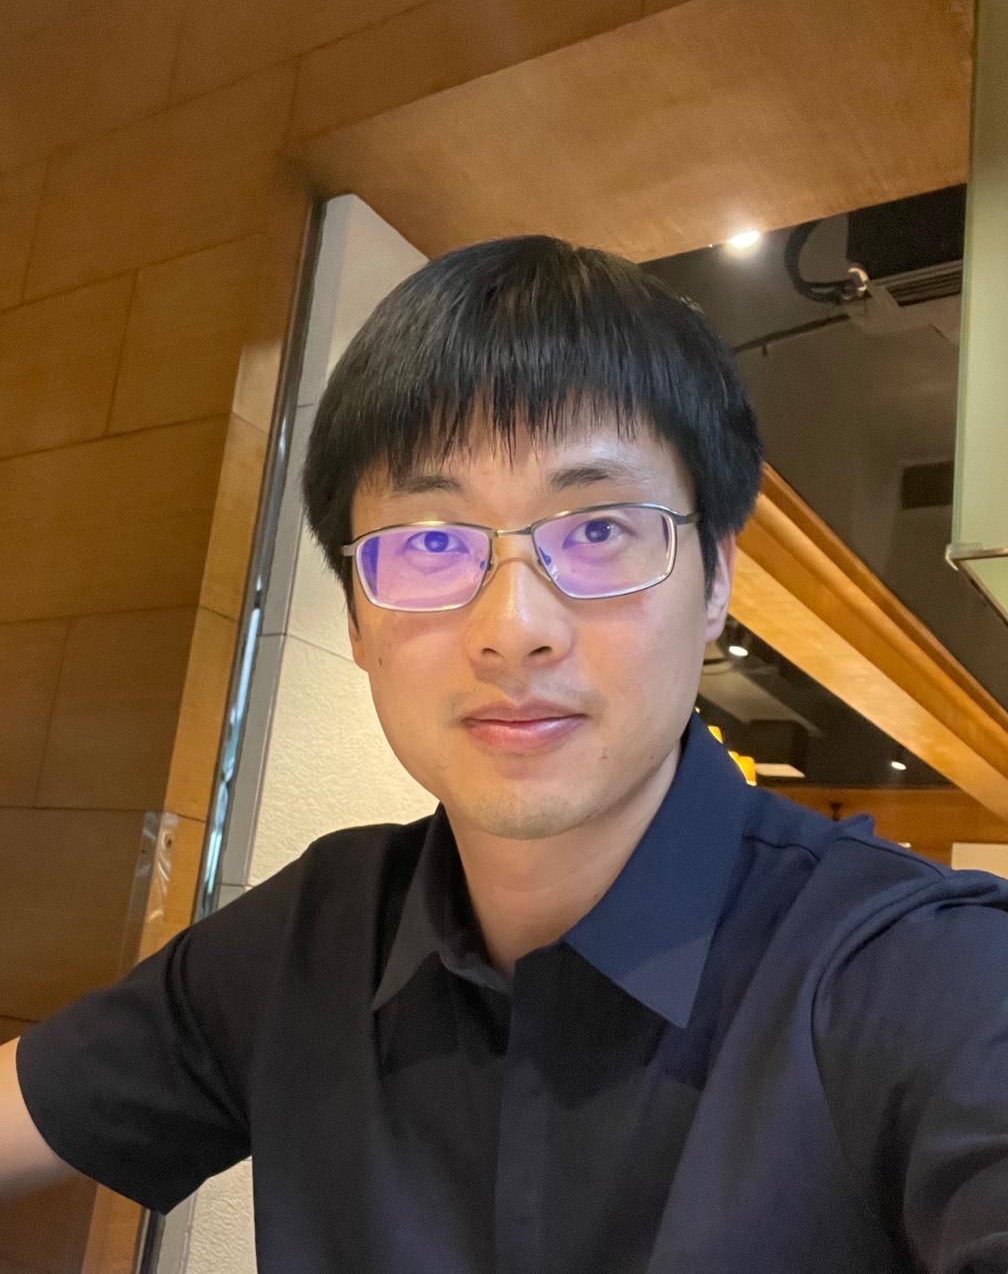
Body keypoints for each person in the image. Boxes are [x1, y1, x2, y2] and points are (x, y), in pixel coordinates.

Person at [2, 236, 1007, 1273]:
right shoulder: (310, 940)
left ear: (714, 579)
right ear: (357, 618)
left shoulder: (922, 976)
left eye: (599, 530)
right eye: (432, 543)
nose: (513, 628)